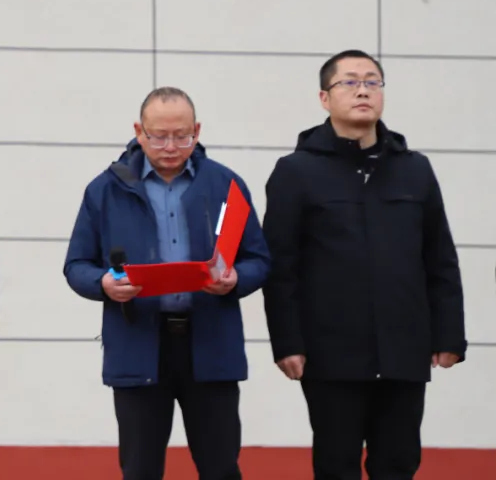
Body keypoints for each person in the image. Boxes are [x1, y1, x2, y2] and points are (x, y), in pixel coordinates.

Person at [261, 49, 468, 480]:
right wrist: (287, 341)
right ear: (324, 98)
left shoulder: (415, 170)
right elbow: (281, 268)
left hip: (404, 348)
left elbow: (440, 259)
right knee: (336, 466)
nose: (363, 91)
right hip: (330, 353)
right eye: (350, 82)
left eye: (372, 82)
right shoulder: (296, 172)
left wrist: (449, 334)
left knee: (398, 464)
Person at [63, 87, 271, 480]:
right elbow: (76, 265)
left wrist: (236, 279)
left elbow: (259, 259)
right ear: (139, 131)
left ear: (197, 130)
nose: (171, 146)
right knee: (140, 470)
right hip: (138, 344)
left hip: (211, 344)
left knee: (221, 468)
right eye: (159, 136)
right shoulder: (106, 189)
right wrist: (104, 283)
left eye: (182, 135)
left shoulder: (226, 184)